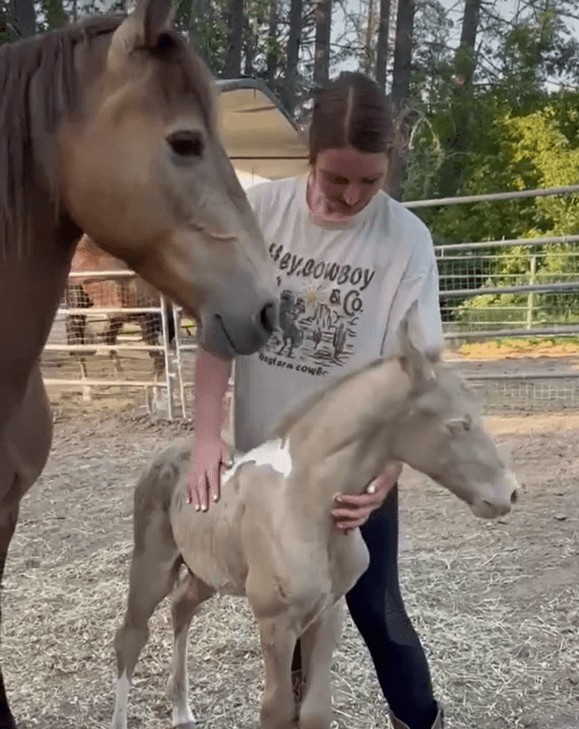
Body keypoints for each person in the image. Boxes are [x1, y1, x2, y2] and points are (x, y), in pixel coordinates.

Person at [188, 71, 445, 729]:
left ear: (391, 161)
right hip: (264, 467)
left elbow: (408, 368)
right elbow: (221, 329)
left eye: (370, 178)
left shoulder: (405, 239)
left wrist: (388, 468)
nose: (354, 195)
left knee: (378, 611)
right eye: (337, 179)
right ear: (310, 155)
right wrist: (208, 436)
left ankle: (420, 720)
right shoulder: (261, 213)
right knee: (284, 610)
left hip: (351, 473)